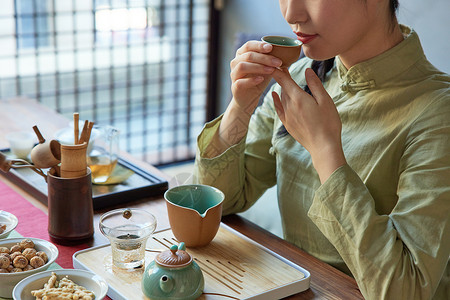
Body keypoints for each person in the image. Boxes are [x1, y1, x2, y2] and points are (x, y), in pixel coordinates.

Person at [193, 0, 450, 299]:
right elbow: (213, 207)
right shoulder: (300, 76)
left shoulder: (438, 113)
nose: (291, 14)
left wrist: (325, 151)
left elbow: (405, 290)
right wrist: (240, 106)